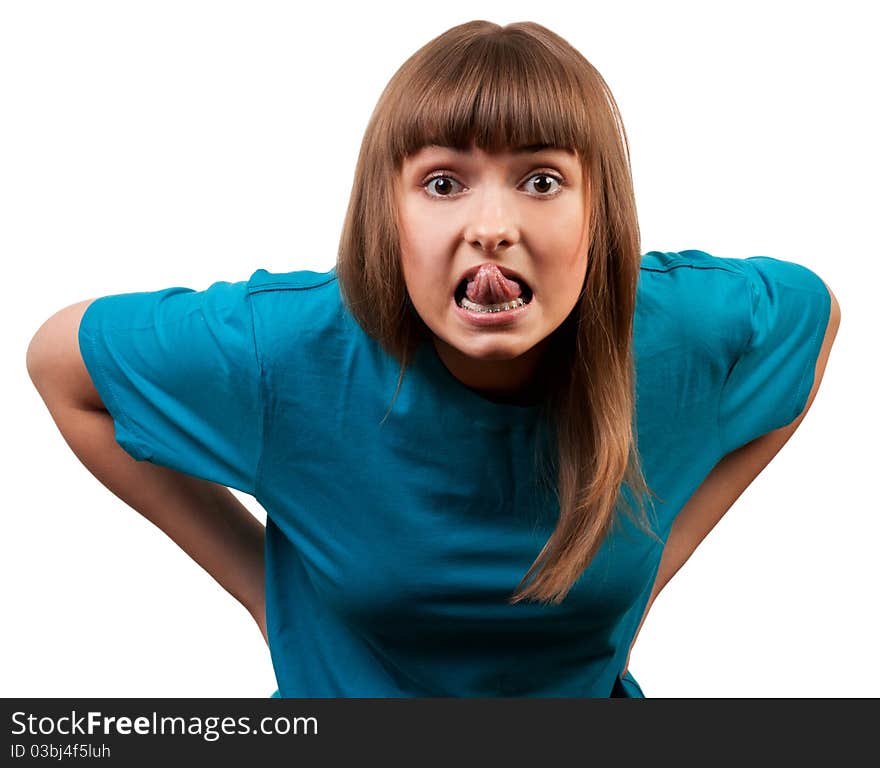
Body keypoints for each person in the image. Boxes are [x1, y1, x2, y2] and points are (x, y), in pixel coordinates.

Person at [26, 20, 840, 698]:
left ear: (602, 212)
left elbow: (819, 318)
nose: (492, 224)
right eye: (445, 183)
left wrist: (654, 554)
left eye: (543, 179)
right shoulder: (282, 354)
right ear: (391, 214)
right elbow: (62, 365)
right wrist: (263, 591)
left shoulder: (686, 335)